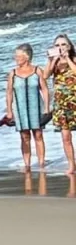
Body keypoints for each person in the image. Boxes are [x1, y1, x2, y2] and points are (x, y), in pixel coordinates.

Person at [4, 43, 50, 172]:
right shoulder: (12, 73)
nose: (15, 58)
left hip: (37, 107)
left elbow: (45, 90)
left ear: (27, 56)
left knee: (38, 135)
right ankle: (27, 164)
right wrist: (9, 111)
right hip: (20, 109)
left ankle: (41, 163)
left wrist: (46, 108)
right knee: (24, 136)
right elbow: (8, 93)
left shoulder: (37, 71)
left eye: (18, 56)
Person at [43, 34, 76, 174]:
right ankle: (72, 166)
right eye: (57, 45)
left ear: (69, 46)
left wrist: (67, 58)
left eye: (63, 44)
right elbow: (45, 76)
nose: (60, 47)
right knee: (65, 137)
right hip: (61, 104)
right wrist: (52, 60)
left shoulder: (73, 59)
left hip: (74, 102)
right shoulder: (54, 62)